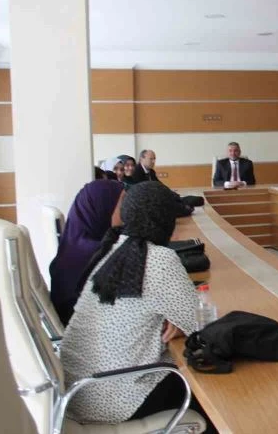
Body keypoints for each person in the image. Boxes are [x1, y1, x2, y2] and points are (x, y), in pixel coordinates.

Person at [61, 182, 213, 430]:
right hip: (115, 399)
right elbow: (202, 325)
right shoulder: (160, 260)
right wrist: (179, 322)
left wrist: (175, 318)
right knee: (210, 387)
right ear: (166, 219)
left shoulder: (112, 248)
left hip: (79, 392)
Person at [49, 180, 125, 326]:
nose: (126, 210)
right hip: (95, 333)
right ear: (104, 208)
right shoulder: (100, 257)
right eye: (122, 204)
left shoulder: (72, 248)